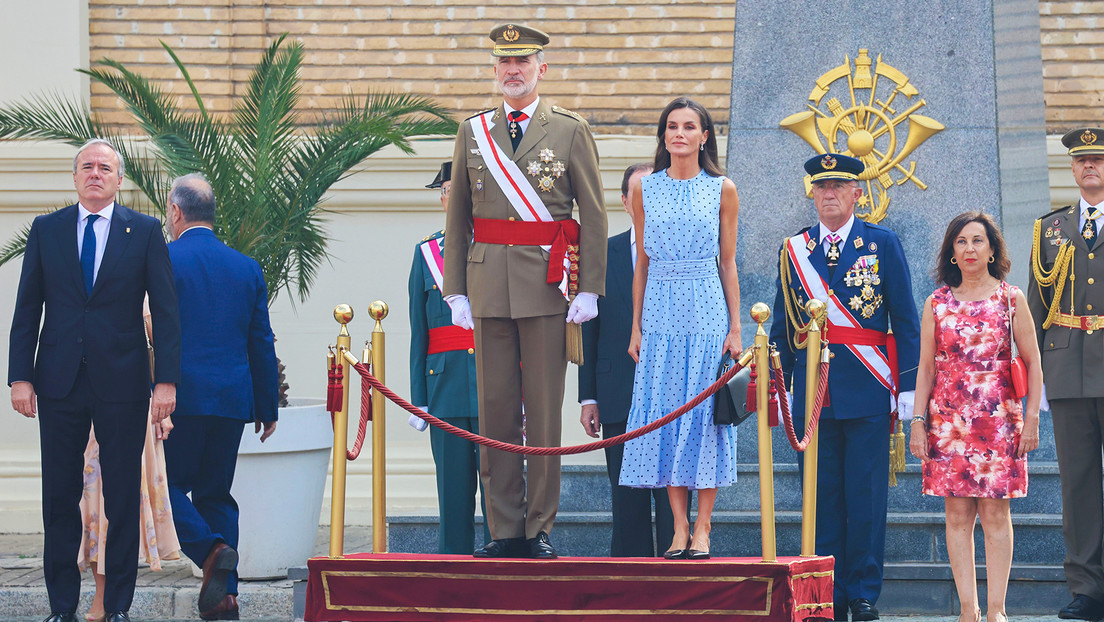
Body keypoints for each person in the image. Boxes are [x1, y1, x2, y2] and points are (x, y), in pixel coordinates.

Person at [443, 23, 607, 560]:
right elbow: (459, 217)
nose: (512, 71)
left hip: (546, 283)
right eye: (504, 63)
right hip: (487, 283)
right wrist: (456, 289)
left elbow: (595, 214)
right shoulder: (473, 132)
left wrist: (589, 288)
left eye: (523, 61)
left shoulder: (569, 129)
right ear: (495, 70)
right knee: (494, 411)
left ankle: (538, 526)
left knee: (541, 408)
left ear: (542, 68)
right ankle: (503, 527)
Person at [8, 138, 181, 622]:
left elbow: (166, 313)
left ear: (119, 179)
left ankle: (119, 607)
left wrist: (165, 383)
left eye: (105, 167)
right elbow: (27, 308)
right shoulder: (47, 230)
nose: (95, 173)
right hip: (58, 382)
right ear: (75, 176)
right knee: (59, 496)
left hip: (123, 383)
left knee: (122, 497)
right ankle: (62, 607)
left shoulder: (144, 231)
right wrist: (20, 377)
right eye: (87, 166)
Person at [769, 153, 921, 621]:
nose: (829, 193)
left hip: (869, 388)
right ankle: (825, 593)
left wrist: (909, 392)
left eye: (838, 185)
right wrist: (782, 387)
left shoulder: (881, 243)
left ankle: (862, 594)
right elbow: (782, 325)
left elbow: (906, 321)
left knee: (867, 497)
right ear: (811, 192)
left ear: (859, 192)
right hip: (812, 393)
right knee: (820, 498)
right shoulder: (794, 250)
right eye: (821, 186)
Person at [618, 97, 742, 562]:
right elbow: (642, 264)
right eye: (672, 126)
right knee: (665, 413)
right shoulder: (647, 189)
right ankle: (678, 527)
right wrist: (634, 327)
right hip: (660, 309)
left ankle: (704, 528)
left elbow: (728, 262)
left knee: (703, 417)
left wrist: (734, 327)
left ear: (705, 136)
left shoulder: (723, 188)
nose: (680, 134)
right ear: (663, 135)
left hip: (707, 306)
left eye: (690, 126)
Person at [909, 211, 1042, 622]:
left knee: (995, 514)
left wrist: (1033, 418)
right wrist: (917, 422)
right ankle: (969, 609)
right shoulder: (936, 302)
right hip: (949, 423)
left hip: (999, 420)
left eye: (978, 241)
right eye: (961, 241)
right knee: (957, 515)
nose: (969, 248)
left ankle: (998, 610)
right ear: (952, 250)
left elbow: (1034, 363)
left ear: (992, 249)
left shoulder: (1010, 298)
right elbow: (926, 367)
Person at [162, 173, 279, 621]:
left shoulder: (164, 260)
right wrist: (266, 407)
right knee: (215, 494)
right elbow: (261, 342)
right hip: (232, 402)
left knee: (161, 486)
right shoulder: (245, 266)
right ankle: (225, 597)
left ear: (175, 211)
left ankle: (212, 550)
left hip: (178, 399)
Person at [579, 162, 676, 558]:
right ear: (623, 201)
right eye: (639, 193)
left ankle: (678, 586)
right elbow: (589, 329)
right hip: (618, 392)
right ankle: (632, 588)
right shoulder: (602, 254)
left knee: (674, 502)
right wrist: (589, 398)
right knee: (627, 504)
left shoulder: (681, 252)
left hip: (674, 394)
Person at [1028, 127, 1104, 622]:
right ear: (1072, 169)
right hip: (1068, 367)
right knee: (1077, 482)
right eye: (1082, 161)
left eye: (1098, 159)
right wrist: (1031, 380)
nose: (1090, 167)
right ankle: (1088, 589)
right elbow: (1036, 309)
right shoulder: (1050, 229)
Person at [408, 161, 491, 554]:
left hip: (497, 387)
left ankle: (504, 567)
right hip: (445, 389)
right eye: (446, 194)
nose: (453, 201)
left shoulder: (498, 248)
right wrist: (419, 397)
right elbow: (418, 331)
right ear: (442, 200)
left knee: (501, 494)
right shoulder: (425, 254)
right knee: (453, 493)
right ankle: (454, 566)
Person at [79, 301, 180, 622]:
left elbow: (156, 342)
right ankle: (100, 593)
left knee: (115, 499)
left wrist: (160, 402)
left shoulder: (139, 279)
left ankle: (108, 597)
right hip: (80, 402)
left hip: (129, 400)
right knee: (90, 500)